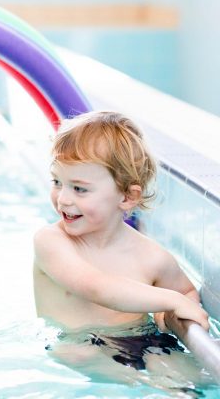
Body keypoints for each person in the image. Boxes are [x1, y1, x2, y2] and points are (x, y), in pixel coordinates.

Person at [33, 111, 209, 376]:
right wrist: (170, 301)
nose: (63, 199)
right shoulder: (52, 242)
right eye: (57, 182)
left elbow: (185, 292)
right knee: (86, 357)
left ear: (127, 196)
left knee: (187, 382)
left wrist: (170, 314)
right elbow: (96, 287)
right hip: (80, 344)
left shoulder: (151, 256)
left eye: (79, 188)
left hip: (145, 342)